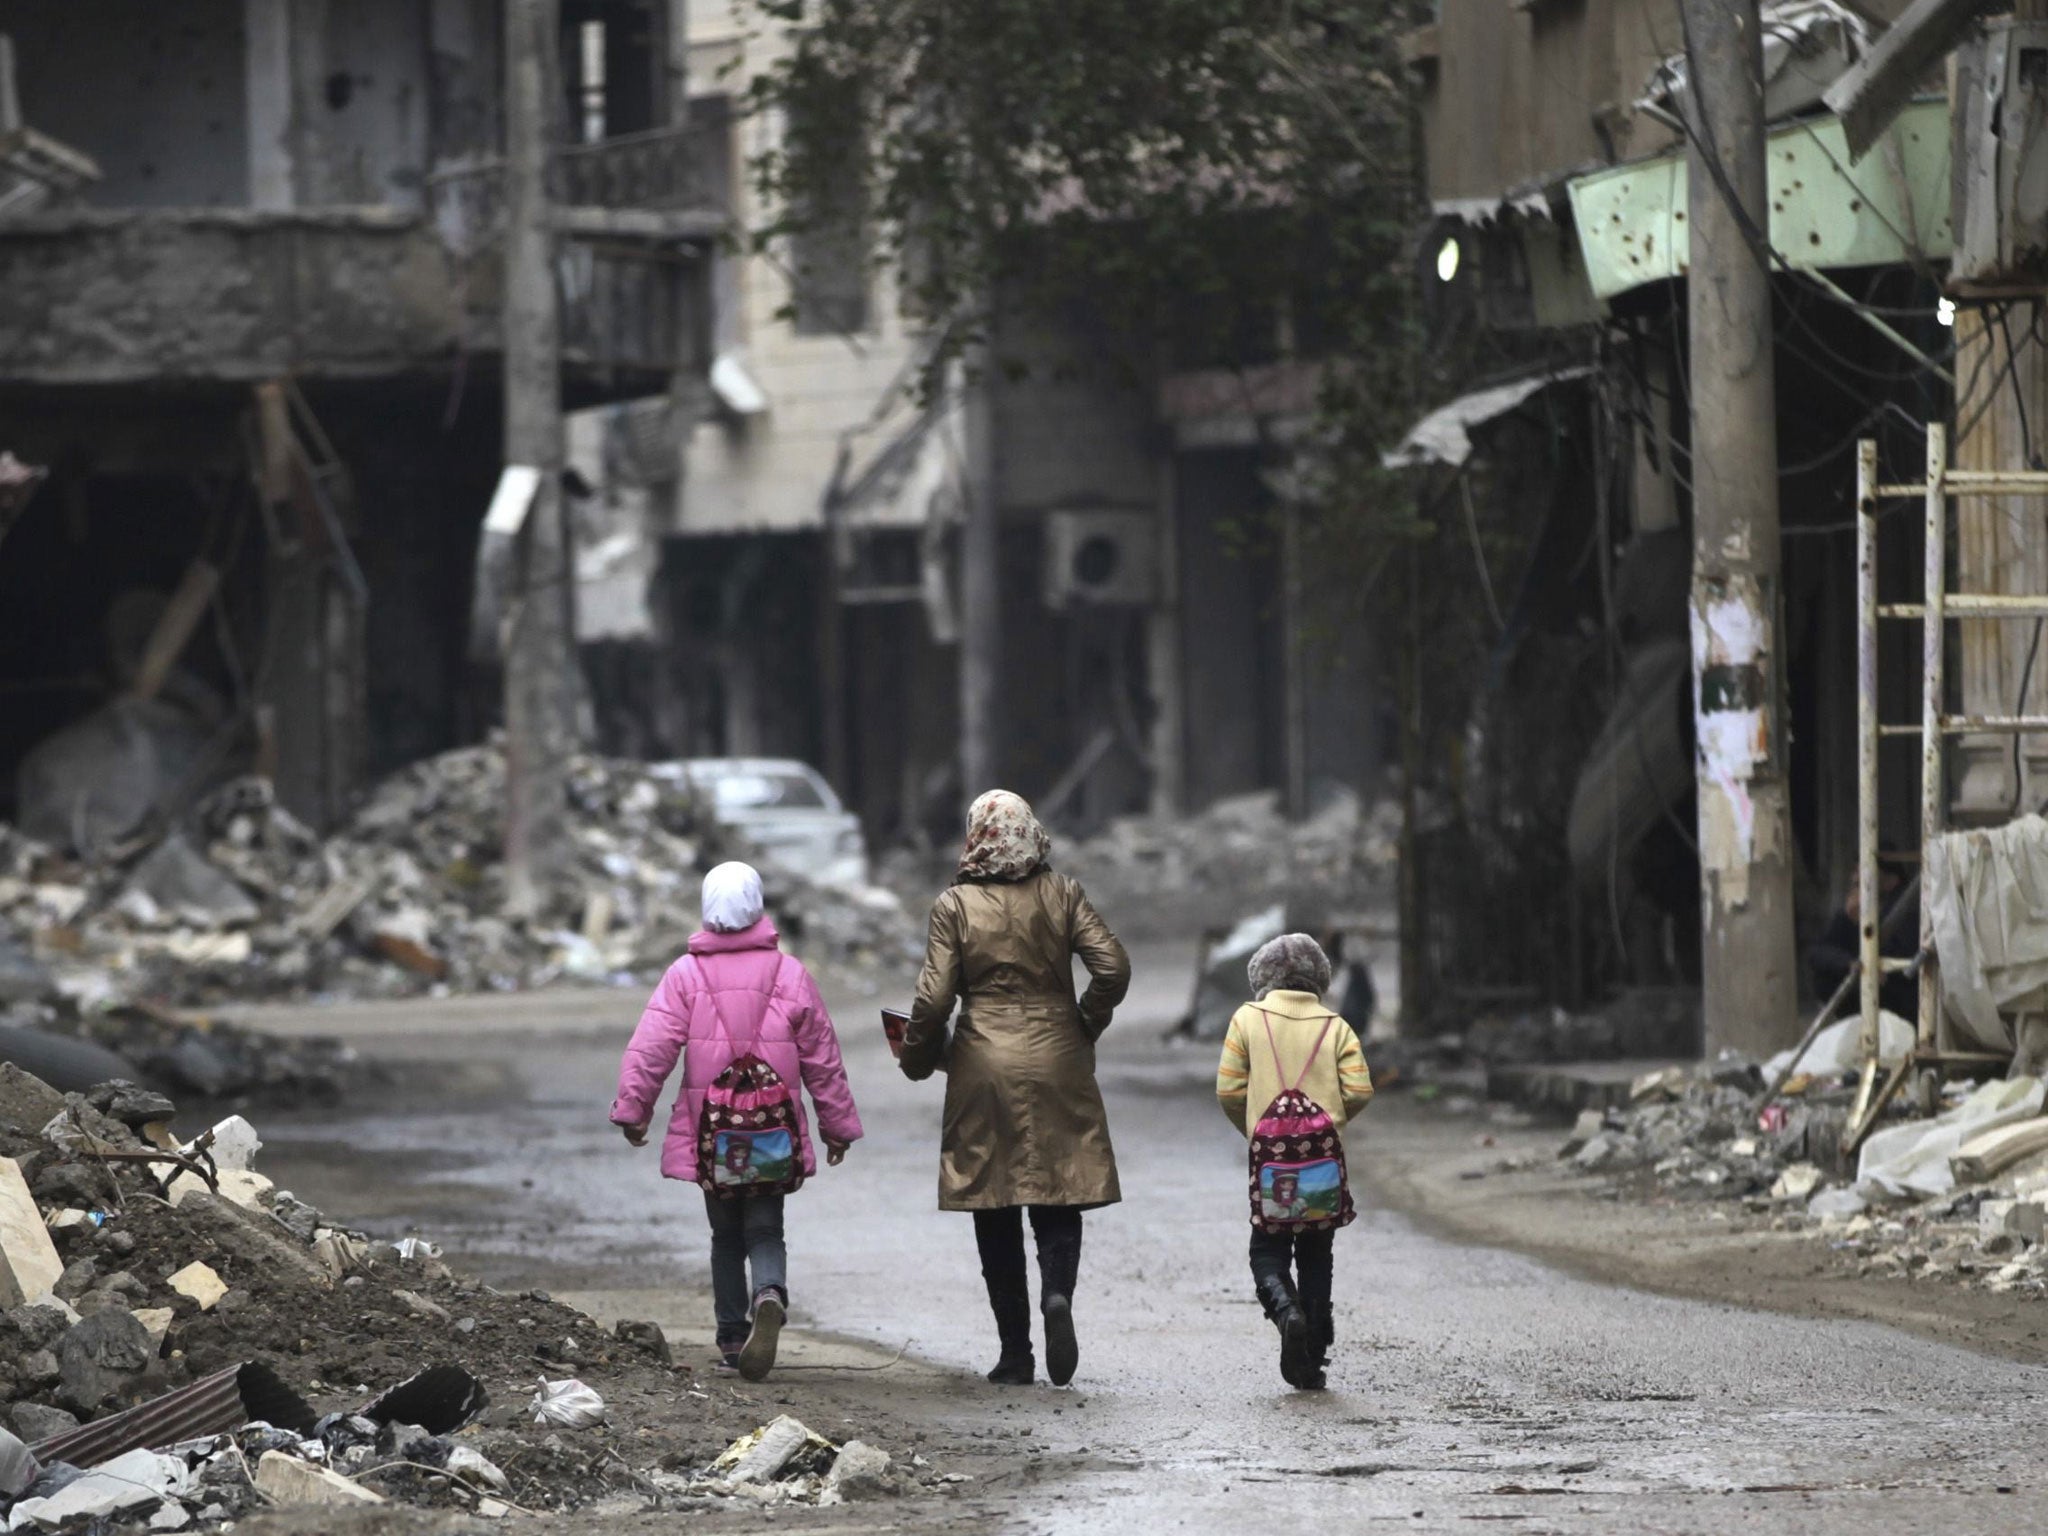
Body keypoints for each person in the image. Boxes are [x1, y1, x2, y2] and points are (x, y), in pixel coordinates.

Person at [900, 790, 1130, 1387]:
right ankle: (1057, 1294)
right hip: (1060, 1055)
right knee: (1060, 1188)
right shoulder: (1063, 892)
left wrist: (919, 1055)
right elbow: (1112, 968)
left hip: (983, 1063)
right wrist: (1085, 1022)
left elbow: (933, 999)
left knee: (993, 1200)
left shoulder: (955, 905)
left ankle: (1015, 1353)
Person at [610, 861, 863, 1380]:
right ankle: (768, 1293)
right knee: (766, 1227)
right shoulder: (790, 972)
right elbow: (823, 1057)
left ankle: (731, 1338)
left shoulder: (685, 975)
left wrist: (634, 1111)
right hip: (771, 1125)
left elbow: (651, 1048)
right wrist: (836, 1125)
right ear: (757, 907)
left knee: (725, 1235)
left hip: (714, 1132)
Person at [1217, 932, 1373, 1389]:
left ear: (1262, 977)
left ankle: (1286, 1311)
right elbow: (1360, 1089)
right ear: (1319, 977)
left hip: (1270, 1159)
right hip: (1322, 1157)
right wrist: (1331, 1122)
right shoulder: (1335, 1025)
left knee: (1266, 1248)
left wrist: (1255, 1129)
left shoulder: (1247, 1020)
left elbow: (1228, 1090)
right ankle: (1314, 1351)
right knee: (1316, 1250)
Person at [1807, 851, 1917, 1017]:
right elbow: (1817, 952)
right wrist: (1848, 962)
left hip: (1899, 997)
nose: (1855, 880)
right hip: (1866, 990)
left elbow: (1901, 959)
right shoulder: (1853, 914)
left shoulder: (1906, 912)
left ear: (1890, 882)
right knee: (1825, 977)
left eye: (1863, 875)